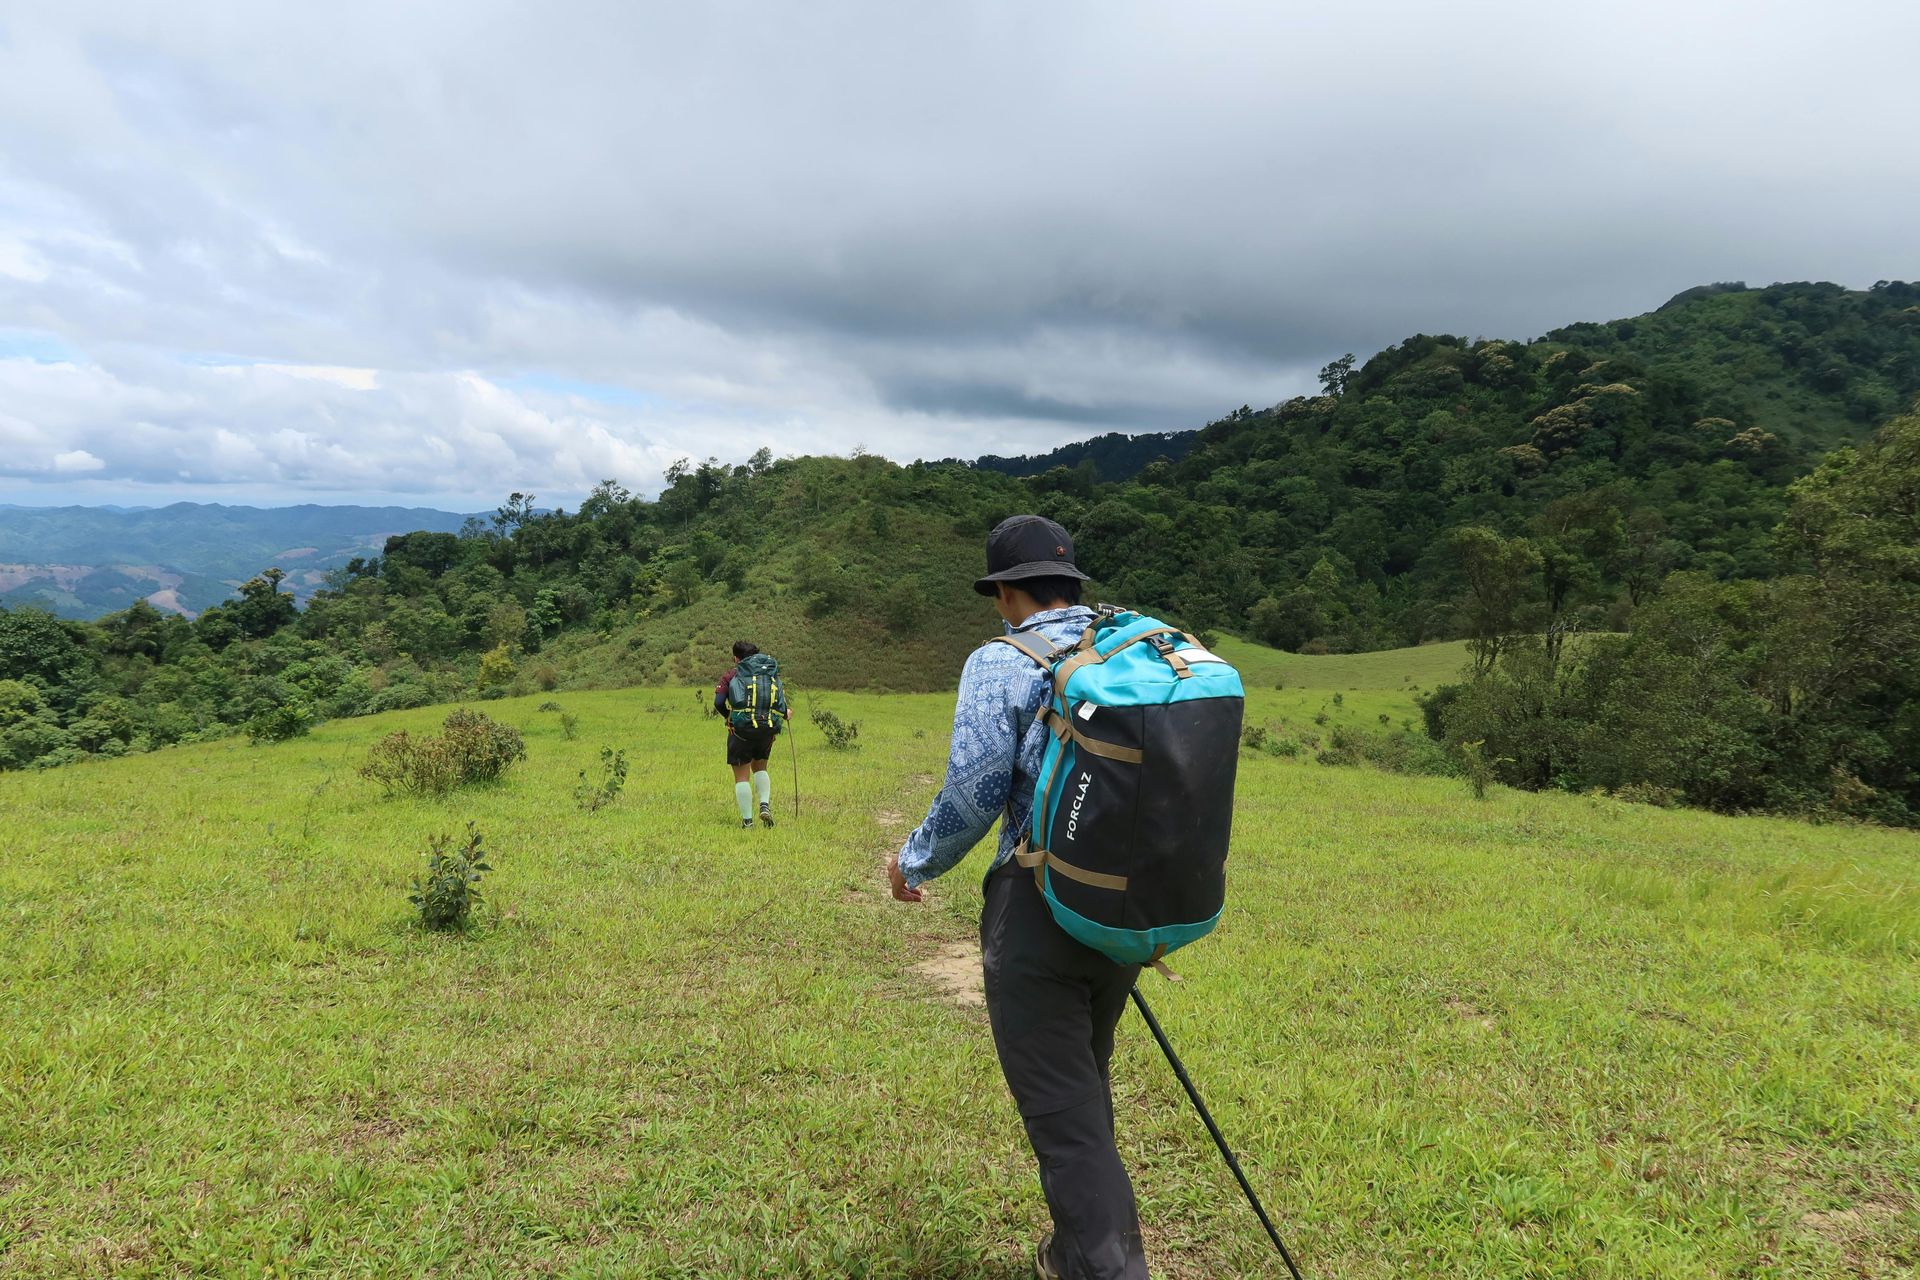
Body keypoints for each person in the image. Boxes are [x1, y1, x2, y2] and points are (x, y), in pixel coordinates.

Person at [886, 515, 1148, 1280]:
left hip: (1038, 910)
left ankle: (1103, 1266)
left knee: (1064, 1113)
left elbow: (973, 794)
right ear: (1070, 583)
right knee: (1082, 1082)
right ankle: (1073, 1250)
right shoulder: (1125, 646)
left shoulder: (1000, 660)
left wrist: (912, 864)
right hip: (1125, 906)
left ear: (1005, 593)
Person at [713, 640, 788, 828]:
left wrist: (729, 716)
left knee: (742, 776)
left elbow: (718, 702)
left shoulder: (731, 675)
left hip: (741, 731)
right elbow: (779, 703)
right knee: (761, 768)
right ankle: (764, 804)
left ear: (736, 658)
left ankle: (748, 822)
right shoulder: (768, 674)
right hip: (766, 730)